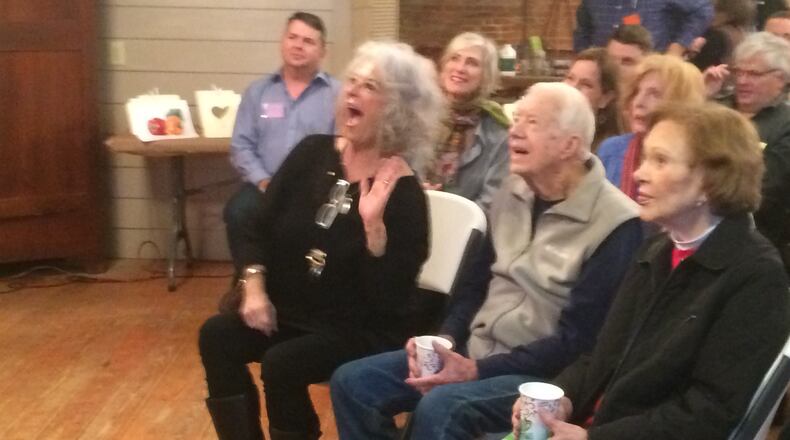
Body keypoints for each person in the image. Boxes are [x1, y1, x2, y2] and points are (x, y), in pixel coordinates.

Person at [329, 82, 643, 440]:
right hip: (474, 351)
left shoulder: (616, 224)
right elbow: (472, 287)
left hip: (543, 377)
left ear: (569, 145)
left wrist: (476, 370)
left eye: (533, 123)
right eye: (516, 119)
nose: (515, 130)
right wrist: (446, 340)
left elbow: (578, 341)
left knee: (441, 407)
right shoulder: (512, 192)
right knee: (353, 383)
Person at [198, 41, 443, 440]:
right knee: (217, 335)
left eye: (370, 87)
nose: (353, 91)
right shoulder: (311, 152)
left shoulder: (403, 192)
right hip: (288, 309)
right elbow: (254, 224)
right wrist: (255, 286)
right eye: (352, 82)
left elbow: (390, 300)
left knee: (282, 363)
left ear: (397, 108)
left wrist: (373, 230)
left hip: (353, 326)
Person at [510, 101, 790, 440]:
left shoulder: (755, 276)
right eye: (645, 158)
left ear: (709, 180)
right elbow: (601, 356)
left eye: (660, 160)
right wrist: (563, 397)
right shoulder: (655, 250)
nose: (639, 173)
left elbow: (709, 412)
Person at [224, 12, 340, 278]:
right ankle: (248, 282)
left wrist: (319, 187)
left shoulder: (338, 95)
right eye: (293, 37)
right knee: (238, 211)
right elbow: (241, 145)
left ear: (322, 51)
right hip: (264, 185)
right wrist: (264, 181)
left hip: (315, 191)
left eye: (308, 41)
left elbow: (342, 148)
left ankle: (300, 288)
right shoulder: (258, 92)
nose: (298, 45)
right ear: (282, 42)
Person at [705, 32, 790, 270]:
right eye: (739, 72)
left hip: (752, 241)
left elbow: (766, 186)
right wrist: (700, 98)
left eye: (753, 74)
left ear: (780, 79)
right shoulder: (715, 108)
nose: (742, 81)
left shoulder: (785, 125)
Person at [596, 54, 706, 199]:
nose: (638, 102)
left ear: (680, 104)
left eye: (654, 94)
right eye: (636, 92)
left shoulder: (693, 159)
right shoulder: (611, 150)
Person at [423, 32, 510, 212]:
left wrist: (450, 216)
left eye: (472, 63)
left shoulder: (500, 134)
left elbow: (491, 204)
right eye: (454, 58)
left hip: (467, 232)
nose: (460, 68)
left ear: (487, 76)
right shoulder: (419, 116)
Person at [573, 0, 713, 55]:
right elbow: (583, 29)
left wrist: (678, 47)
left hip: (649, 76)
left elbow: (703, 11)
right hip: (605, 78)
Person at [563, 47, 622, 151]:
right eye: (570, 78)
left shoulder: (609, 150)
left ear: (606, 98)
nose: (573, 88)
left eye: (586, 84)